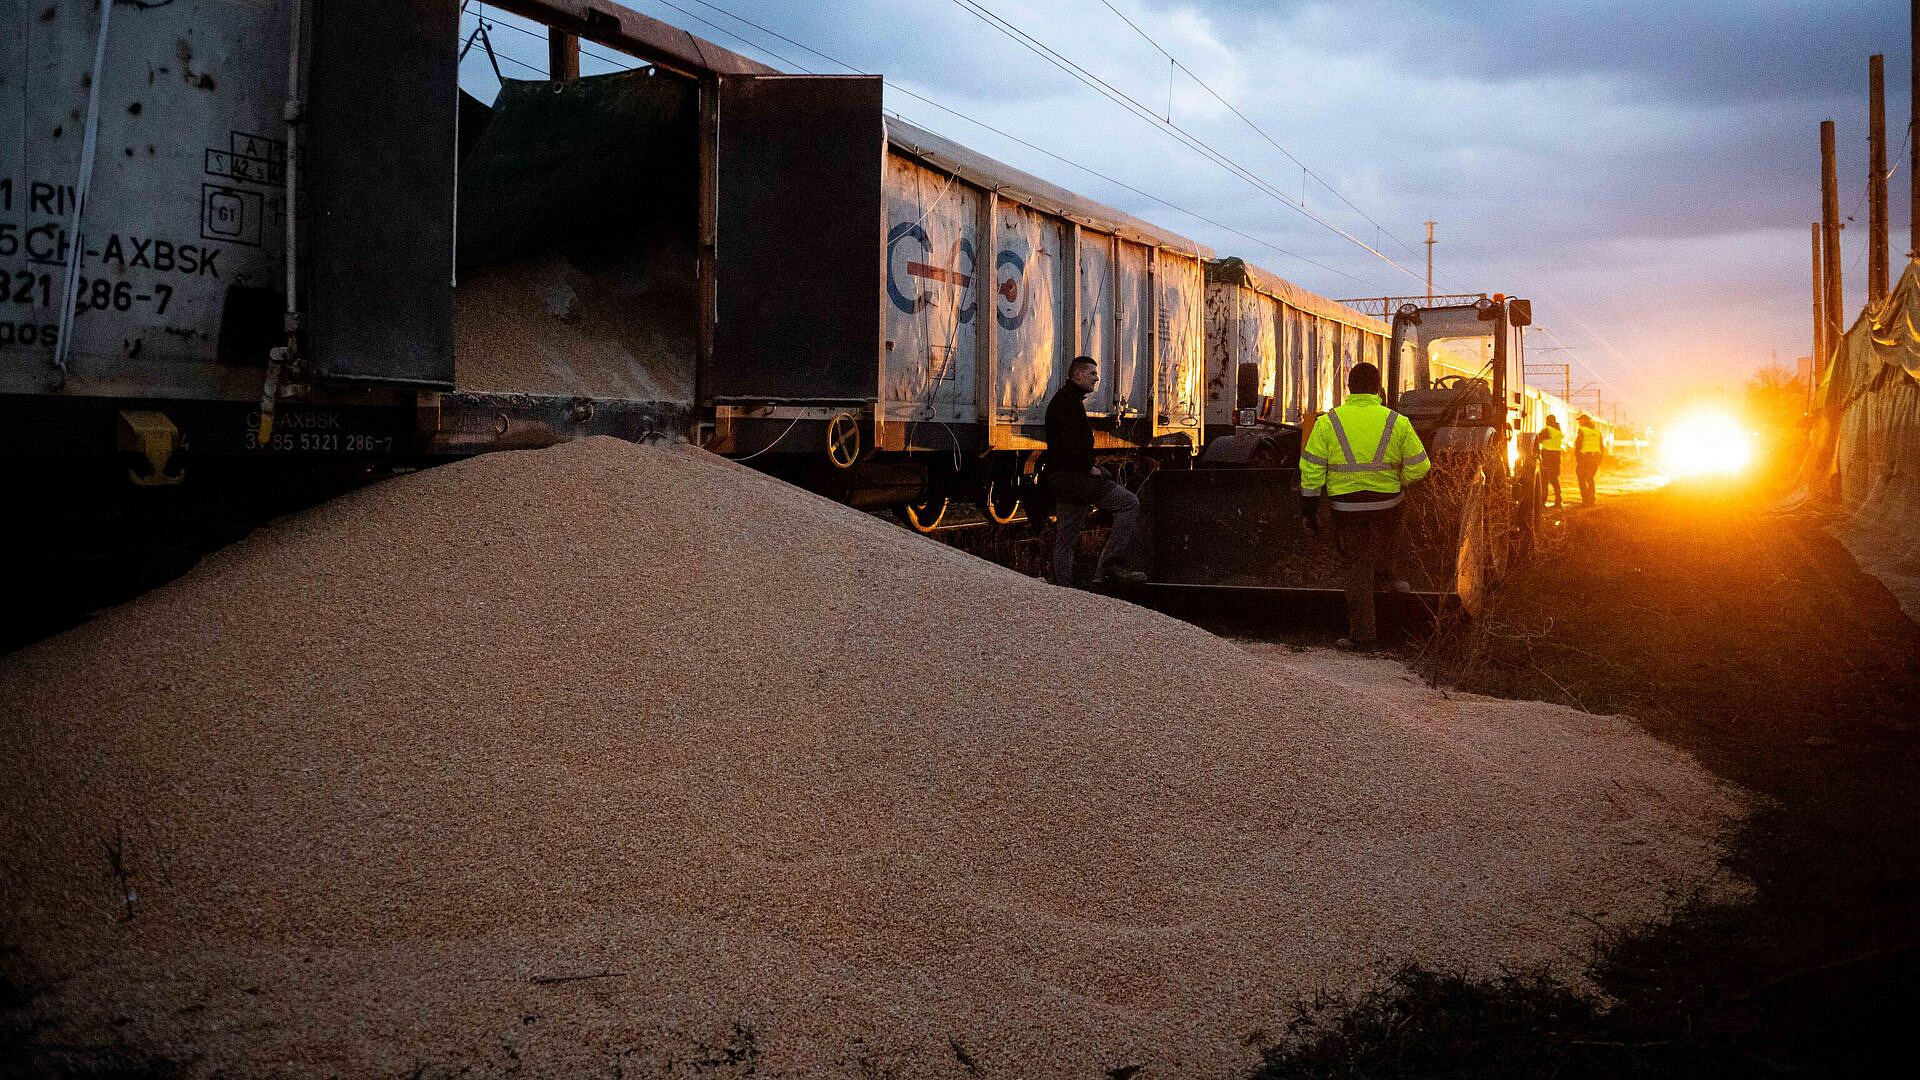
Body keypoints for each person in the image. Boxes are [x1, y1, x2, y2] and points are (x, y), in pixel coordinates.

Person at [1299, 362, 1431, 650]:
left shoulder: (1328, 423)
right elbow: (1421, 466)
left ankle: (1362, 635)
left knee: (1356, 567)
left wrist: (1309, 510)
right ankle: (1387, 574)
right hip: (1387, 505)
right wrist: (1399, 481)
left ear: (1349, 388)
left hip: (1346, 508)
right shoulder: (1397, 422)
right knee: (1391, 527)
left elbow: (1311, 470)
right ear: (1378, 388)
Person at [1044, 356, 1145, 587]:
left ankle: (1063, 587)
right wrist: (1090, 468)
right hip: (1077, 479)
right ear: (1077, 375)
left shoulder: (1066, 400)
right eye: (1092, 373)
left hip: (1064, 480)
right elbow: (1068, 444)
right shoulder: (1067, 404)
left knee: (1065, 539)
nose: (1096, 378)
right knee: (1129, 503)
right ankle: (1109, 568)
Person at [1573, 413, 1604, 506]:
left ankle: (1586, 500)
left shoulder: (1582, 430)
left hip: (1585, 458)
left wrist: (1577, 457)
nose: (1579, 422)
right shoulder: (1597, 432)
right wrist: (1600, 459)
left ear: (1584, 421)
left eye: (1580, 420)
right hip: (1595, 457)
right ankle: (1592, 499)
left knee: (1581, 479)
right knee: (1590, 478)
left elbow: (1578, 444)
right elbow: (1601, 446)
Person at [1536, 415, 1565, 508]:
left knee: (1544, 480)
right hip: (1556, 458)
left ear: (1548, 421)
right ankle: (1558, 500)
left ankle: (1542, 501)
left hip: (1547, 457)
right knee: (1554, 479)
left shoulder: (1547, 430)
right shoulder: (1558, 432)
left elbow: (1537, 439)